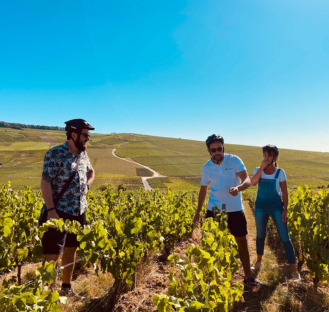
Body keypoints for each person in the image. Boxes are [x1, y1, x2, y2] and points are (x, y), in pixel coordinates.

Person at [193, 134, 261, 287]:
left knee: (242, 242)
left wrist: (239, 188)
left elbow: (247, 180)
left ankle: (248, 277)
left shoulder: (234, 160)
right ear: (208, 151)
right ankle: (213, 278)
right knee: (212, 244)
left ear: (223, 147)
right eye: (213, 150)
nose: (217, 152)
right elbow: (203, 190)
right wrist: (198, 212)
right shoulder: (206, 168)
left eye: (220, 148)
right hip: (214, 210)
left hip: (235, 209)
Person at [41, 119, 95, 296]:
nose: (88, 138)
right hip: (59, 212)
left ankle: (66, 287)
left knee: (72, 249)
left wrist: (87, 186)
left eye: (89, 135)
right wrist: (50, 211)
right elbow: (45, 183)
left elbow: (91, 172)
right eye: (86, 135)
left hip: (79, 211)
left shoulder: (83, 155)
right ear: (74, 134)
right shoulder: (54, 154)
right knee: (53, 254)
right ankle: (46, 295)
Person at [250, 144, 300, 280]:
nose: (266, 157)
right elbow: (253, 183)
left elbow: (284, 193)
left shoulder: (280, 172)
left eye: (269, 154)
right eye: (265, 154)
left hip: (276, 206)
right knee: (260, 235)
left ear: (275, 157)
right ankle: (258, 261)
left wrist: (285, 210)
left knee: (285, 237)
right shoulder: (257, 170)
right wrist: (261, 168)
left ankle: (294, 270)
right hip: (260, 206)